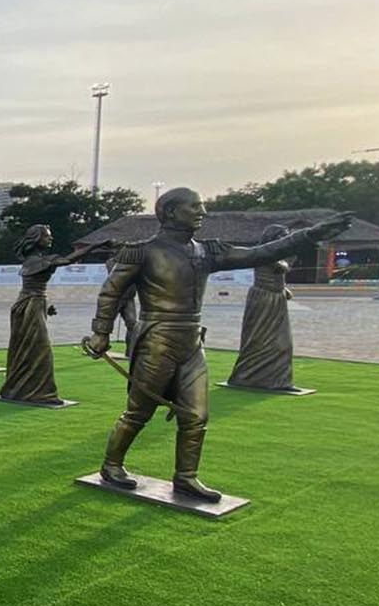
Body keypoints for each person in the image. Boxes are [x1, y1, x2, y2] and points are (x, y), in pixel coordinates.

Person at [88, 189, 350, 501]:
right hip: (157, 338)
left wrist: (309, 236)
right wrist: (101, 333)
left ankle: (186, 477)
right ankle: (111, 465)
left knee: (197, 416)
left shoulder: (208, 251)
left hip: (191, 341)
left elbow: (260, 254)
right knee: (139, 411)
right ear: (170, 212)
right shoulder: (142, 251)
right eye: (194, 206)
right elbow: (111, 292)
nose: (203, 211)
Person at [0, 225, 108, 404]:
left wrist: (46, 305)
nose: (51, 239)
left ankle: (20, 389)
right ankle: (37, 392)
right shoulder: (34, 261)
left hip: (33, 304)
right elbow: (67, 260)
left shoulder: (36, 260)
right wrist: (93, 246)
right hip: (30, 306)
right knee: (40, 349)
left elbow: (35, 287)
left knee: (29, 349)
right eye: (47, 236)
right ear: (36, 239)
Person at [226, 224, 301, 391]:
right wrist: (293, 251)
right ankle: (248, 377)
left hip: (275, 298)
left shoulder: (276, 253)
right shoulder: (264, 253)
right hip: (263, 299)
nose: (285, 239)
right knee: (260, 340)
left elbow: (280, 271)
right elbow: (280, 267)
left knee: (282, 341)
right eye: (283, 236)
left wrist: (283, 289)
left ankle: (278, 380)